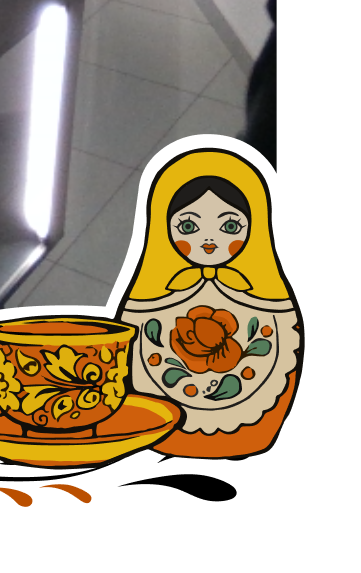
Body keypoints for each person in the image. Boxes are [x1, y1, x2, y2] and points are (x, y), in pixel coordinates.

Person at [118, 148, 301, 458]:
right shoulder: (149, 300)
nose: (209, 241)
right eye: (189, 227)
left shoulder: (271, 302)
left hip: (253, 433)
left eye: (229, 227)